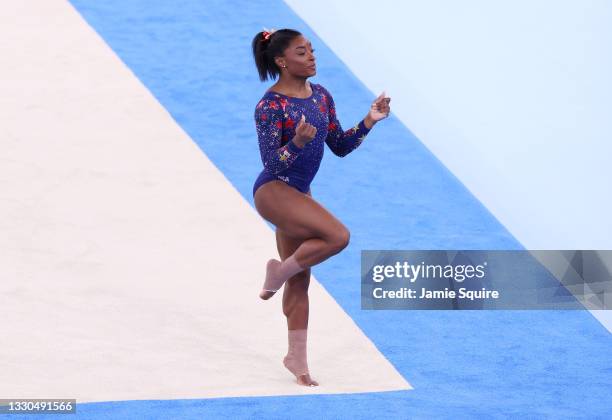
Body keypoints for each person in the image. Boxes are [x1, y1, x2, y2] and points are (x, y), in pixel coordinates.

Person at [250, 27, 391, 387]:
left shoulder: (322, 97)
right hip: (274, 191)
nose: (311, 56)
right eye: (301, 52)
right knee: (337, 236)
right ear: (282, 61)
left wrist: (370, 120)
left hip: (299, 194)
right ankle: (278, 272)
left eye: (311, 50)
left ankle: (296, 359)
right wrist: (296, 141)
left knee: (301, 279)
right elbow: (273, 165)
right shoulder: (270, 106)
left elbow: (340, 145)